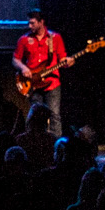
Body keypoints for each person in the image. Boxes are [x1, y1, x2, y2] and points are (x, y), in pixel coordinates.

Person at [12, 8, 68, 137]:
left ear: (41, 22)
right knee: (35, 116)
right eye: (29, 23)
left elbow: (62, 59)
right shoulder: (24, 39)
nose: (29, 26)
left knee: (54, 115)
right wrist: (23, 68)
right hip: (33, 84)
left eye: (32, 23)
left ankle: (55, 144)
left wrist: (68, 62)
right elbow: (15, 59)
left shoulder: (55, 38)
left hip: (52, 83)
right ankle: (34, 142)